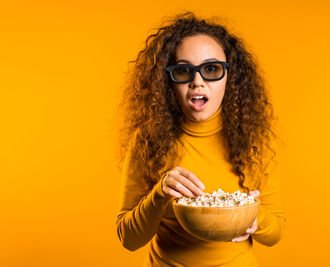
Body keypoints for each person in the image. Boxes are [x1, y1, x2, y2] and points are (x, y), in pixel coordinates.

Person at [116, 11, 286, 266]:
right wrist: (160, 193)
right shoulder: (148, 140)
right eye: (184, 71)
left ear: (230, 76)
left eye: (211, 69)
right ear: (169, 80)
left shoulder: (254, 139)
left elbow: (276, 232)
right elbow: (128, 239)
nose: (198, 82)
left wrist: (249, 215)